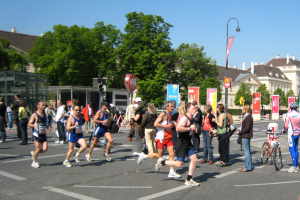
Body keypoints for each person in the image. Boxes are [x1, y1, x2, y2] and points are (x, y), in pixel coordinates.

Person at [155, 103, 200, 186]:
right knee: (179, 163)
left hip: (188, 142)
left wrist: (195, 129)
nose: (195, 110)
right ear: (188, 109)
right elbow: (178, 128)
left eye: (195, 108)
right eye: (193, 108)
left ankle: (189, 179)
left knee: (194, 159)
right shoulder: (185, 118)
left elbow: (193, 127)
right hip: (182, 143)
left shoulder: (191, 117)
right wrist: (189, 128)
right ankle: (163, 162)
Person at [154, 101, 181, 179]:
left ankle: (171, 172)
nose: (173, 108)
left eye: (173, 106)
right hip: (161, 137)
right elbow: (155, 124)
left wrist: (173, 124)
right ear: (167, 107)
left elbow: (170, 124)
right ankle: (149, 157)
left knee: (172, 154)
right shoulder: (163, 114)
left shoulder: (170, 114)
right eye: (171, 106)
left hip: (169, 137)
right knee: (160, 156)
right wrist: (166, 126)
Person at [28, 101, 49, 168]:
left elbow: (44, 123)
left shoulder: (45, 114)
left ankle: (34, 154)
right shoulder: (34, 114)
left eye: (45, 105)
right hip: (36, 134)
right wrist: (34, 125)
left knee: (45, 149)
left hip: (43, 134)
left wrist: (47, 126)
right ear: (38, 106)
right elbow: (29, 124)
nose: (44, 106)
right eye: (43, 105)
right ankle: (34, 162)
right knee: (38, 148)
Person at [284, 103, 300, 173]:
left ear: (290, 108)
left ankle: (294, 166)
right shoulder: (299, 114)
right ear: (296, 108)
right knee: (296, 149)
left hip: (291, 134)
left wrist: (284, 130)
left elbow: (286, 125)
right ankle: (296, 165)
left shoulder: (289, 114)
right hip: (298, 133)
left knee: (291, 149)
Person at [238, 105, 254, 172]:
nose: (242, 110)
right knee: (247, 151)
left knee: (246, 152)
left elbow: (247, 128)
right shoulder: (247, 116)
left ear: (245, 109)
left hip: (245, 135)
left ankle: (247, 167)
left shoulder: (248, 117)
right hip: (246, 135)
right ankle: (248, 166)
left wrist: (240, 132)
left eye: (243, 109)